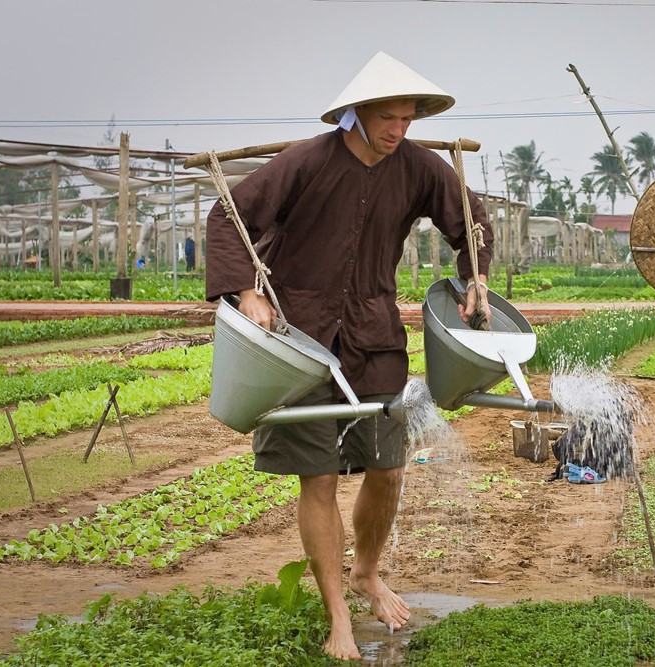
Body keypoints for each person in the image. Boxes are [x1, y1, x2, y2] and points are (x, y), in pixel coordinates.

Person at [205, 52, 493, 660]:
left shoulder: (419, 168)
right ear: (357, 114)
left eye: (407, 119)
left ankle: (366, 571)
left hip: (373, 336)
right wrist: (248, 291)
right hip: (298, 341)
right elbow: (226, 218)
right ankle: (338, 613)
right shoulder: (306, 162)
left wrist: (476, 277)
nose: (397, 129)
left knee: (388, 469)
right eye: (387, 118)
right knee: (319, 478)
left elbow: (472, 222)